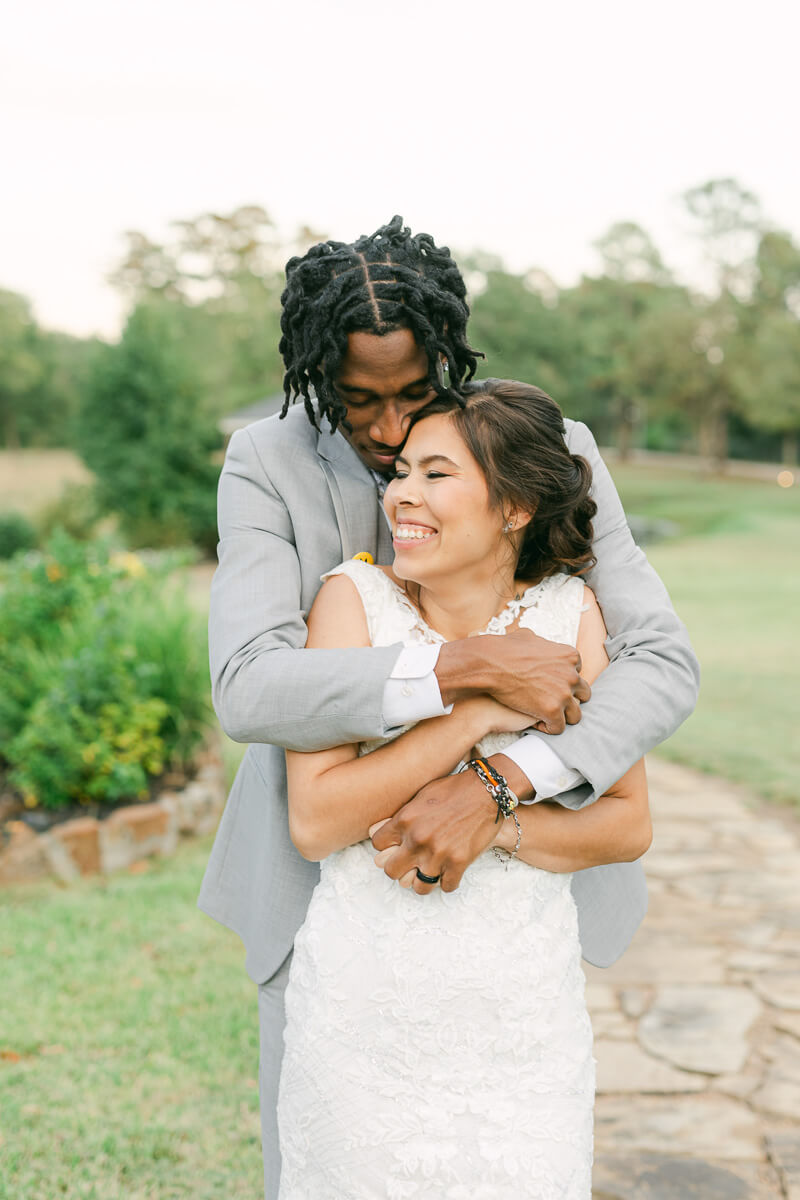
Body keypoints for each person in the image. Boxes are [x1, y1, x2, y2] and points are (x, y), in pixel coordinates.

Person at [197, 217, 699, 1199]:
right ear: (312, 375)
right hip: (329, 904)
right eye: (356, 404)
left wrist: (510, 779)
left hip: (516, 918)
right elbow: (249, 685)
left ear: (449, 359)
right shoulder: (265, 462)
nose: (387, 436)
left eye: (413, 398)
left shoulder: (541, 449)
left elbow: (658, 659)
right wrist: (459, 675)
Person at [278, 379, 652, 1196]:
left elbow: (627, 824)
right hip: (364, 1025)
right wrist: (476, 710)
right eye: (401, 471)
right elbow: (314, 820)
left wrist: (496, 821)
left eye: (435, 474)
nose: (402, 493)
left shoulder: (568, 614)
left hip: (523, 1030)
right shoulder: (353, 602)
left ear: (513, 506)